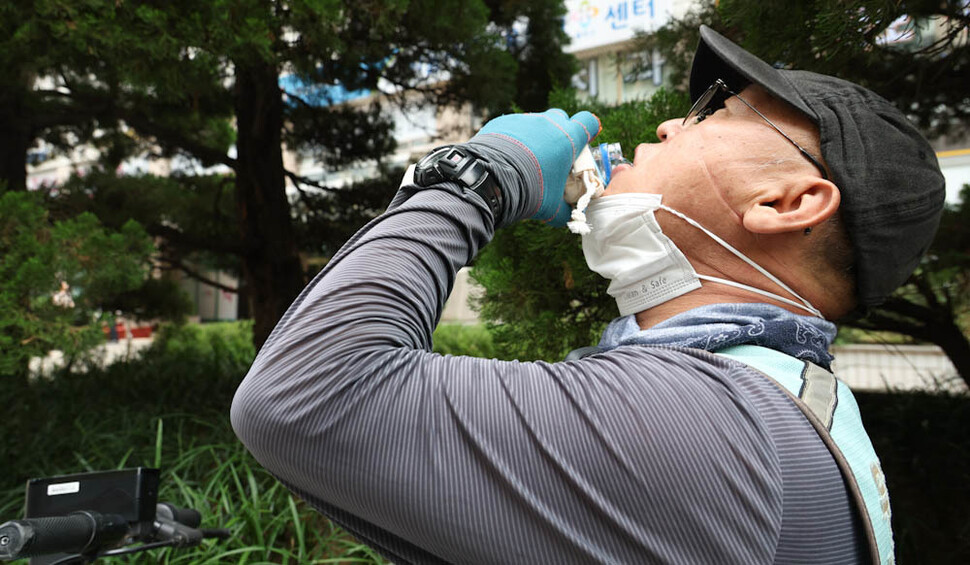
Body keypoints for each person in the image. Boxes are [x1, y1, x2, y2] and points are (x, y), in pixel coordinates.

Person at [231, 26, 944, 564]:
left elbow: (305, 394)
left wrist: (474, 176)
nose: (668, 124)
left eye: (714, 113)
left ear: (787, 201)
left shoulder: (709, 422)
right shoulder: (781, 401)